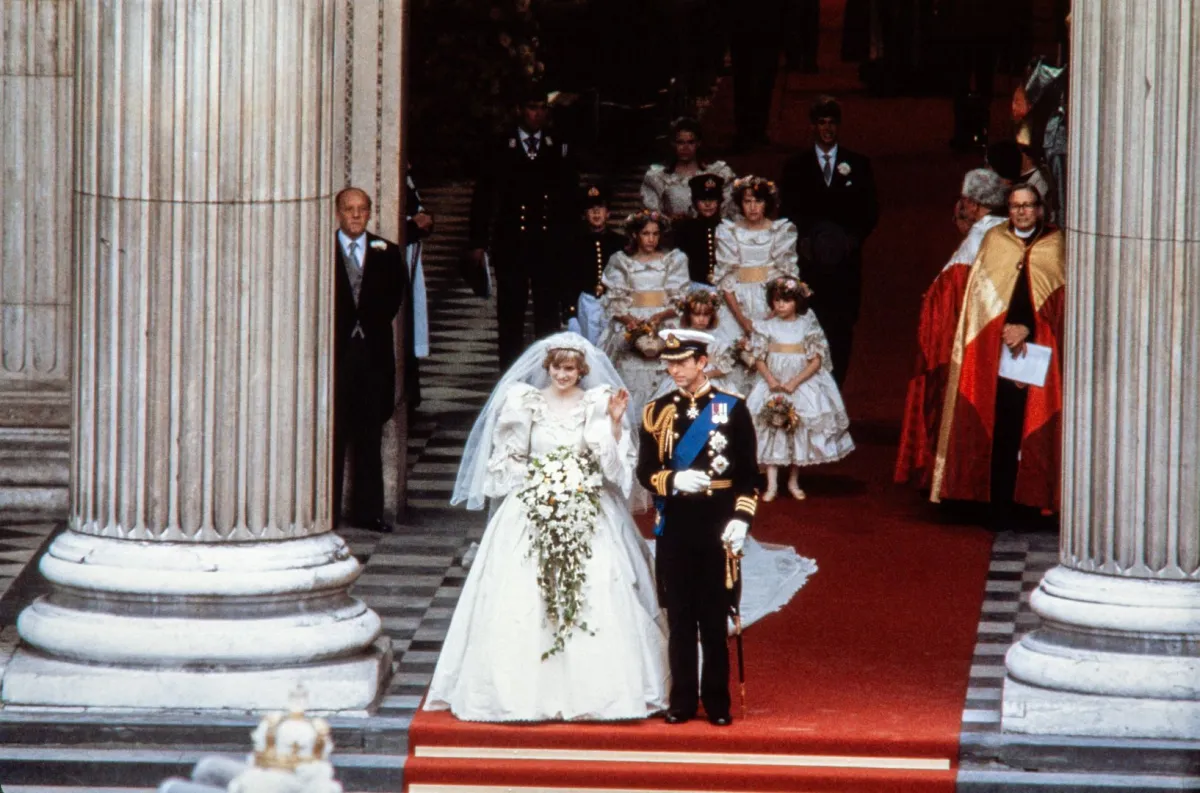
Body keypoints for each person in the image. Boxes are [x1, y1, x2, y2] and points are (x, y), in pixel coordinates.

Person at [428, 333, 669, 722]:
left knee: (602, 587)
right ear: (548, 368)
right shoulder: (523, 403)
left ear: (581, 371)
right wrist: (540, 484)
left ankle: (600, 691)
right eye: (557, 367)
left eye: (570, 368)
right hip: (531, 504)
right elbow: (508, 460)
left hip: (588, 504)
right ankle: (517, 691)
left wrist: (614, 425)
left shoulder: (596, 404)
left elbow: (612, 468)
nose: (562, 374)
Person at [637, 329, 759, 726]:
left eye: (682, 362)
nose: (674, 369)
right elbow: (645, 471)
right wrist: (671, 482)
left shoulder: (732, 408)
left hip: (718, 525)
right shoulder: (656, 411)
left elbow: (748, 475)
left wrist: (741, 519)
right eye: (669, 363)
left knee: (714, 616)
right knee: (680, 618)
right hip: (675, 526)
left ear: (702, 362)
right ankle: (683, 700)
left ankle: (718, 703)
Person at [930, 183, 1066, 524]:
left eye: (1028, 205)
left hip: (1040, 351)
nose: (1021, 212)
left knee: (1032, 424)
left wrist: (1028, 330)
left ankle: (1032, 504)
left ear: (1039, 209)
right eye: (1015, 206)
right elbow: (978, 304)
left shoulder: (1055, 244)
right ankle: (998, 503)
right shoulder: (995, 241)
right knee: (1002, 423)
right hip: (997, 349)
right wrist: (1003, 330)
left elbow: (1062, 306)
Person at [895, 168, 1007, 489]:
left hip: (972, 343)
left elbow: (943, 297)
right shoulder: (1009, 233)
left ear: (972, 205)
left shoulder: (976, 239)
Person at [468, 86, 580, 368]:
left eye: (542, 107)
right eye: (531, 107)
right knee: (510, 314)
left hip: (547, 243)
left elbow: (570, 197)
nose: (537, 113)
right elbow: (483, 196)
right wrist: (478, 242)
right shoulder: (500, 144)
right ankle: (510, 376)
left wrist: (570, 242)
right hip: (512, 244)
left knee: (548, 314)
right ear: (519, 110)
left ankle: (551, 376)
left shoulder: (559, 144)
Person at [780, 96, 879, 388]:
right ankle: (811, 390)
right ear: (812, 126)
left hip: (845, 266)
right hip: (809, 265)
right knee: (809, 325)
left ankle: (837, 388)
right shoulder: (795, 166)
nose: (827, 129)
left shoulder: (858, 164)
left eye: (832, 122)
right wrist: (804, 243)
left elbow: (870, 210)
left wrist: (851, 241)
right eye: (822, 122)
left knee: (841, 329)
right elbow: (787, 210)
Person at [332, 187, 408, 534]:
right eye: (349, 210)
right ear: (338, 213)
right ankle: (327, 512)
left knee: (369, 435)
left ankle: (368, 513)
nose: (356, 215)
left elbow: (396, 295)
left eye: (362, 209)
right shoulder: (322, 250)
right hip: (335, 356)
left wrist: (369, 323)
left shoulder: (387, 252)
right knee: (333, 435)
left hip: (373, 356)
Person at [748, 277, 854, 501]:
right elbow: (759, 357)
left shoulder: (807, 323)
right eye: (776, 301)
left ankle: (794, 481)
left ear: (797, 302)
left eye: (786, 301)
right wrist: (770, 380)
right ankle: (772, 484)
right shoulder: (765, 326)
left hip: (799, 384)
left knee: (798, 429)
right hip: (774, 384)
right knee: (771, 428)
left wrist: (795, 382)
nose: (780, 305)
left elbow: (816, 360)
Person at [712, 176, 800, 395]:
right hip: (736, 305)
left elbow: (785, 277)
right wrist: (743, 320)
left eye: (758, 201)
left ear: (767, 203)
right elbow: (726, 280)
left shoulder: (780, 231)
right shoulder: (728, 231)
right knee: (731, 355)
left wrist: (770, 315)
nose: (752, 207)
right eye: (747, 201)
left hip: (770, 302)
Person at [599, 210, 690, 418]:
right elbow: (615, 301)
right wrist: (630, 321)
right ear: (635, 235)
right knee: (630, 370)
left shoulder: (672, 260)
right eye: (645, 233)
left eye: (655, 234)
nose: (651, 239)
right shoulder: (622, 261)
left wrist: (659, 317)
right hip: (633, 319)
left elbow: (679, 299)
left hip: (663, 319)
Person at [561, 183, 626, 346]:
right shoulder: (575, 242)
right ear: (584, 214)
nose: (596, 212)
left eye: (600, 208)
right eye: (591, 209)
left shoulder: (620, 243)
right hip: (587, 302)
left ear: (608, 213)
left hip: (612, 303)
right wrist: (571, 313)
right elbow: (568, 279)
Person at [640, 117, 736, 220]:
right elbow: (654, 215)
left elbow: (728, 210)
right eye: (680, 142)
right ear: (673, 144)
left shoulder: (718, 174)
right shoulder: (659, 178)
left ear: (698, 143)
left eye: (690, 142)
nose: (685, 147)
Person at [652, 290, 737, 398]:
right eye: (696, 314)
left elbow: (724, 368)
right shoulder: (679, 337)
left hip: (710, 380)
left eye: (706, 315)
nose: (701, 319)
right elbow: (668, 364)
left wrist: (705, 376)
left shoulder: (718, 339)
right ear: (688, 314)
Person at [403, 166, 433, 413]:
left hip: (411, 256)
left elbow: (417, 208)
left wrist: (424, 220)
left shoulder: (408, 176)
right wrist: (412, 225)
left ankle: (411, 393)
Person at [672, 174, 726, 290]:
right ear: (695, 202)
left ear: (719, 201)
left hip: (724, 287)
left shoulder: (727, 228)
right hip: (694, 287)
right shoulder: (685, 229)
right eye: (702, 199)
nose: (708, 204)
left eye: (712, 199)